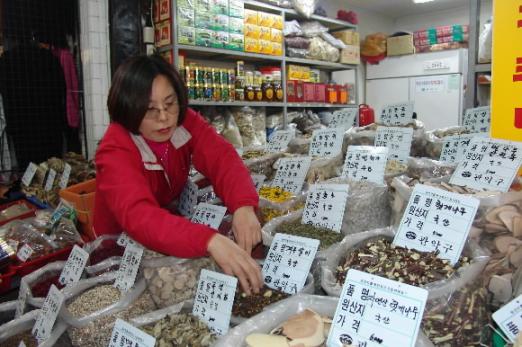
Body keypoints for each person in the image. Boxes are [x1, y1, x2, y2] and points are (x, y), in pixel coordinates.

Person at [94, 54, 262, 294]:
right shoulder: (115, 148)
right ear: (129, 109)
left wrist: (244, 206)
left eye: (170, 103)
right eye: (150, 109)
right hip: (118, 247)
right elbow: (139, 216)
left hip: (167, 229)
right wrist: (209, 240)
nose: (163, 117)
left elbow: (221, 157)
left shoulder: (183, 121)